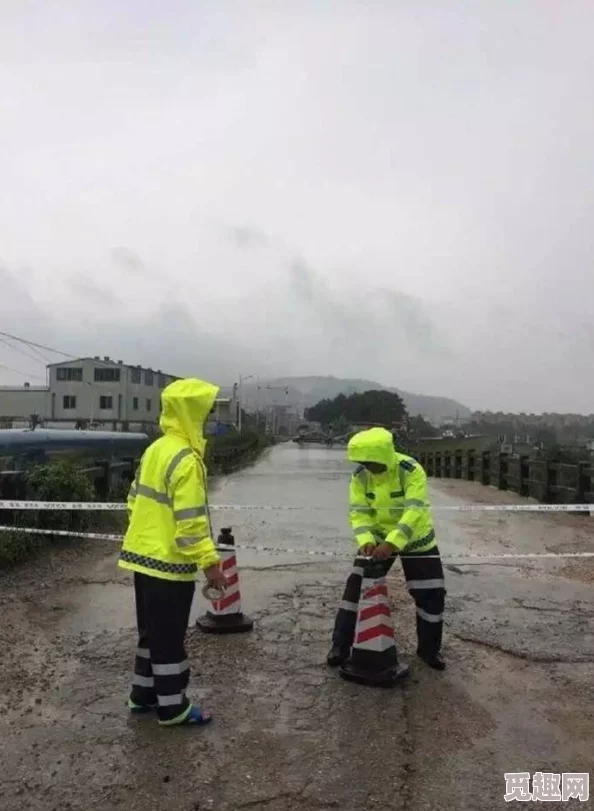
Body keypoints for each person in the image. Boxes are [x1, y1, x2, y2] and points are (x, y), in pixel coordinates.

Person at [118, 377, 227, 726]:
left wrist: (148, 537)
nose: (208, 420)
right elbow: (192, 523)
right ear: (192, 414)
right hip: (170, 565)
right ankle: (172, 707)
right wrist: (210, 564)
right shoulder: (187, 460)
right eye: (206, 413)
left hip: (142, 559)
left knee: (150, 632)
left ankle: (142, 695)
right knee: (169, 638)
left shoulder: (156, 449)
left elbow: (133, 500)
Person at [327, 426, 446, 671]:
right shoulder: (360, 475)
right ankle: (340, 645)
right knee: (356, 590)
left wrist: (393, 543)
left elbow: (415, 510)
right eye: (364, 462)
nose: (369, 467)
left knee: (430, 594)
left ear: (384, 455)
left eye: (372, 462)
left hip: (416, 539)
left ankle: (429, 651)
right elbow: (359, 512)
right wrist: (366, 541)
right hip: (377, 540)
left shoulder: (410, 470)